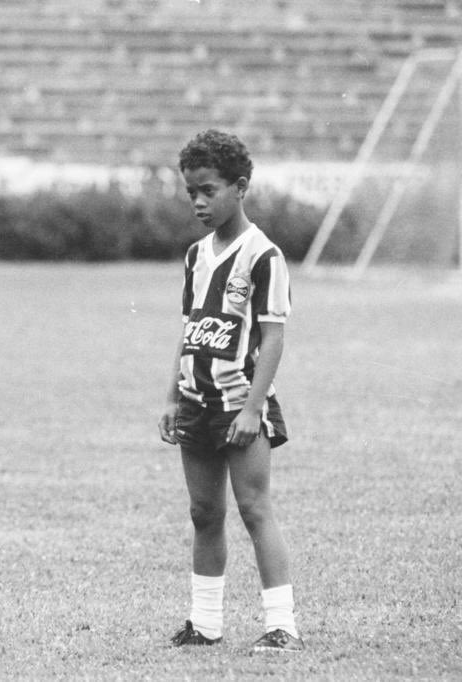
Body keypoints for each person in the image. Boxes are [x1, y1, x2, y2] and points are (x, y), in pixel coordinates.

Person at [157, 129, 303, 653]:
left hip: (240, 404)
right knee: (203, 513)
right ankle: (205, 624)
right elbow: (189, 326)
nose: (198, 201)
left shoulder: (264, 256)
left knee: (254, 509)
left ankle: (281, 625)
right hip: (196, 403)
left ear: (239, 187)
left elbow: (273, 337)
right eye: (191, 191)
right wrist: (173, 395)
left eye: (209, 190)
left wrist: (253, 407)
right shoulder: (197, 255)